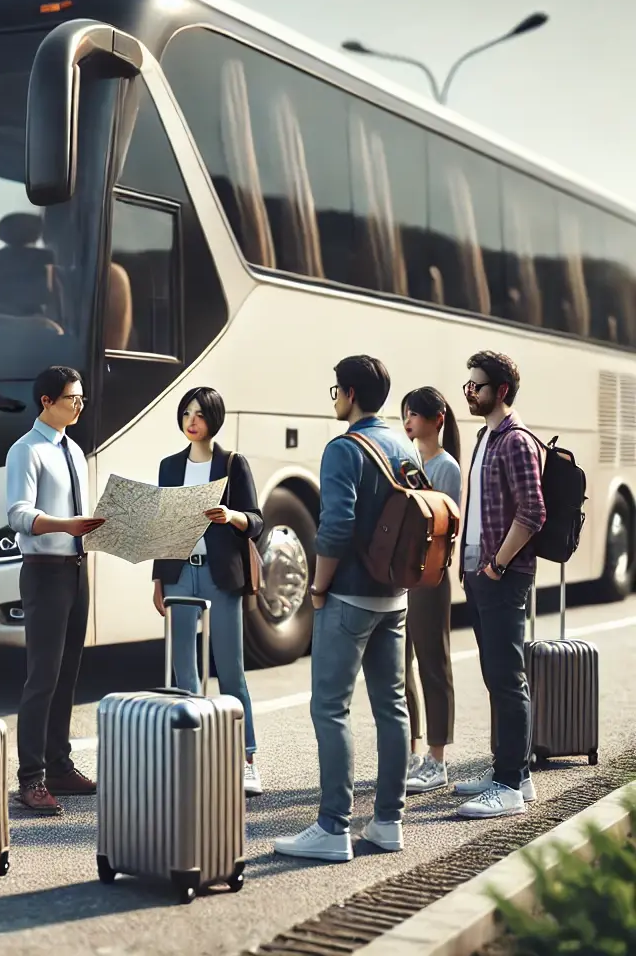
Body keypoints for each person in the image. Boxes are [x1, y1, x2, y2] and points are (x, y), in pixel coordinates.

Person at [275, 356, 415, 862]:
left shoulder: (343, 448)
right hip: (395, 596)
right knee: (391, 707)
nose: (334, 397)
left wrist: (318, 587)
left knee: (331, 708)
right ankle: (388, 822)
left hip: (351, 594)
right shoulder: (403, 444)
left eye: (336, 388)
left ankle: (333, 827)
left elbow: (335, 526)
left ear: (350, 393)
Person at [151, 386, 264, 796]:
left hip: (220, 576)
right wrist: (158, 580)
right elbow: (164, 528)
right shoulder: (169, 466)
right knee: (185, 669)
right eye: (186, 413)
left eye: (198, 414)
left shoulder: (232, 463)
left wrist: (231, 516)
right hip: (181, 572)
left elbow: (257, 521)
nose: (191, 421)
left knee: (230, 668)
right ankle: (193, 750)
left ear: (213, 418)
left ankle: (246, 757)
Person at [6, 365, 105, 815]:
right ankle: (31, 778)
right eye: (72, 398)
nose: (79, 405)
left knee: (68, 673)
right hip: (43, 569)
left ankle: (59, 765)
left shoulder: (75, 451)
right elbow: (19, 514)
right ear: (47, 401)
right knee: (41, 676)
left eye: (82, 398)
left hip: (75, 567)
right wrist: (66, 525)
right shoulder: (25, 451)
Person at [453, 351, 545, 819]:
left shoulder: (515, 441)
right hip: (480, 574)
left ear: (501, 391)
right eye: (468, 384)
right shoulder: (484, 437)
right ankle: (513, 773)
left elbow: (533, 512)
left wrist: (496, 565)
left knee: (508, 679)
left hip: (503, 577)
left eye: (478, 386)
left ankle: (509, 786)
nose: (470, 392)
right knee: (495, 675)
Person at [400, 386, 462, 795]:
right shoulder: (404, 461)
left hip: (431, 575)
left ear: (436, 418)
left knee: (432, 665)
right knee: (398, 667)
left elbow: (442, 525)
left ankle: (437, 760)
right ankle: (410, 752)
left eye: (414, 414)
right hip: (399, 574)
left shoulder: (447, 467)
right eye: (404, 414)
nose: (407, 421)